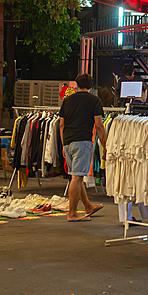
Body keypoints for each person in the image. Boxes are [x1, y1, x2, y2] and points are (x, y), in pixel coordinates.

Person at [119, 63, 148, 224]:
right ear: (144, 92)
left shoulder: (124, 112)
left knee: (125, 182)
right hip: (143, 151)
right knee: (146, 182)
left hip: (125, 151)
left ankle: (125, 218)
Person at [59, 73, 107, 222]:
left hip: (68, 141)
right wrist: (105, 146)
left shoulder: (67, 100)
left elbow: (61, 125)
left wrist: (63, 144)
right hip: (83, 140)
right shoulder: (94, 100)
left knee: (76, 175)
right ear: (91, 86)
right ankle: (72, 213)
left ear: (77, 84)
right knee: (77, 177)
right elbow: (99, 125)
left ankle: (88, 206)